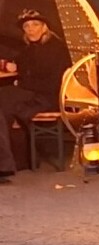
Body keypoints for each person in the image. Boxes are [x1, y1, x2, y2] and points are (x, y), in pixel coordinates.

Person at [0, 9, 73, 180]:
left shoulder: (57, 50)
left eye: (35, 25)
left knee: (5, 102)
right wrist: (10, 66)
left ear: (44, 27)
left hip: (47, 98)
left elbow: (53, 84)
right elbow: (23, 63)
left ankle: (7, 164)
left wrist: (21, 83)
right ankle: (12, 162)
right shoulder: (30, 49)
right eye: (26, 26)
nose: (31, 29)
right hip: (31, 93)